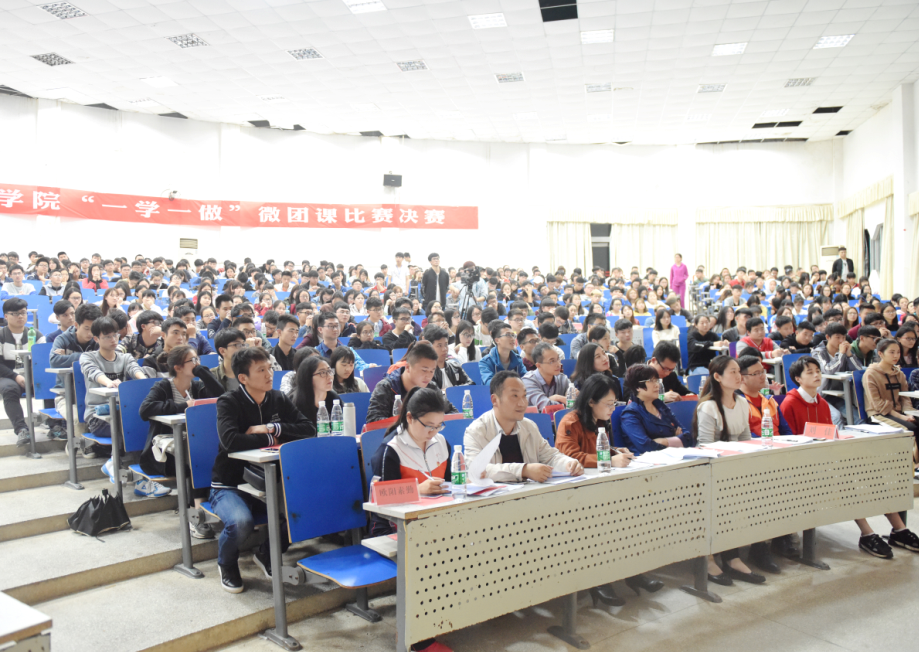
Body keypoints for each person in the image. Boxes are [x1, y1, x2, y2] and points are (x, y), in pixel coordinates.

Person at [781, 354, 919, 558]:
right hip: (806, 466)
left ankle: (899, 530)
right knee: (849, 481)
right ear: (798, 379)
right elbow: (788, 441)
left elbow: (828, 434)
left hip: (827, 458)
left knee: (876, 476)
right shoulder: (789, 403)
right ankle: (867, 534)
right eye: (810, 372)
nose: (817, 375)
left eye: (818, 371)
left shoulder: (820, 402)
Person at [555, 373, 667, 603]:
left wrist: (616, 452)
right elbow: (570, 457)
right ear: (591, 402)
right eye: (608, 404)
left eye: (614, 403)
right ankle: (599, 582)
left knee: (630, 514)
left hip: (600, 487)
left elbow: (598, 449)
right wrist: (608, 460)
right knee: (602, 522)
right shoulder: (570, 422)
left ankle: (633, 573)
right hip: (576, 492)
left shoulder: (600, 421)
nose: (612, 409)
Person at [211, 346, 313, 593]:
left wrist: (271, 428)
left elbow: (308, 429)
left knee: (302, 511)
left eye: (269, 368)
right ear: (243, 378)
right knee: (241, 523)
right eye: (261, 370)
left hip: (268, 482)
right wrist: (272, 439)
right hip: (230, 484)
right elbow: (231, 441)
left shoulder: (277, 398)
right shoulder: (229, 401)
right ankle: (227, 563)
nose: (269, 374)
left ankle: (266, 554)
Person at [692, 355, 765, 585]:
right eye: (732, 371)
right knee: (721, 503)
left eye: (738, 371)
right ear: (717, 377)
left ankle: (734, 558)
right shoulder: (708, 407)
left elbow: (746, 439)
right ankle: (710, 559)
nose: (738, 375)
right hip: (711, 470)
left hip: (734, 467)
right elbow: (706, 447)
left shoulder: (742, 402)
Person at [139, 344, 224, 534]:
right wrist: (184, 405)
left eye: (198, 359)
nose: (197, 363)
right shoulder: (163, 386)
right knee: (196, 461)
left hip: (191, 449)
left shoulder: (197, 387)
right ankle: (195, 515)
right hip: (163, 456)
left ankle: (207, 509)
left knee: (205, 457)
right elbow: (145, 410)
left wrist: (203, 372)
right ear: (178, 367)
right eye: (193, 360)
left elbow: (222, 396)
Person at [464, 371, 583, 483]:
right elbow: (476, 470)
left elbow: (551, 457)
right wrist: (524, 470)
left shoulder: (529, 426)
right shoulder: (476, 431)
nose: (522, 403)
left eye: (524, 396)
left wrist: (568, 464)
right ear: (495, 400)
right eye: (515, 396)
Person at [80, 316, 150, 487]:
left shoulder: (124, 357)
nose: (113, 340)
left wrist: (144, 381)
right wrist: (109, 383)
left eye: (115, 335)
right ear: (96, 339)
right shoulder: (88, 357)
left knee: (141, 423)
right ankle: (135, 476)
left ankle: (127, 467)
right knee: (129, 427)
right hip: (98, 418)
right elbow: (93, 372)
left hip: (121, 414)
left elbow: (135, 369)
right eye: (107, 337)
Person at [367, 342, 457, 424]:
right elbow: (373, 421)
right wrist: (413, 424)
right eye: (424, 370)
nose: (428, 376)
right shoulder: (386, 387)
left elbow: (453, 413)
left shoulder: (431, 387)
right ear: (407, 367)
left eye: (432, 371)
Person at [0, 298, 47, 446]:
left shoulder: (37, 335)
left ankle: (55, 425)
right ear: (6, 316)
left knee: (50, 384)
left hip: (32, 374)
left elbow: (42, 359)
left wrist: (32, 376)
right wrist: (16, 376)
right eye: (15, 313)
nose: (20, 316)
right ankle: (21, 429)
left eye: (23, 313)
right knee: (9, 389)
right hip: (7, 375)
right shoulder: (1, 335)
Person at [620, 364, 691, 454]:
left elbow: (688, 437)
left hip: (673, 457)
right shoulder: (630, 414)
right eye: (651, 381)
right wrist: (676, 440)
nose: (657, 385)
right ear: (638, 387)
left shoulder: (660, 406)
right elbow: (646, 447)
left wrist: (663, 441)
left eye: (657, 380)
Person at [863, 339, 918, 439]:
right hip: (879, 414)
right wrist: (901, 417)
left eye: (898, 352)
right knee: (911, 429)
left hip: (899, 412)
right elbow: (877, 404)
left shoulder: (899, 374)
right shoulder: (870, 374)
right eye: (892, 352)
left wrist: (909, 413)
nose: (896, 356)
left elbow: (905, 398)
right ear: (880, 353)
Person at [736, 354, 791, 437]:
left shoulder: (770, 401)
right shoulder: (736, 402)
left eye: (763, 372)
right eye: (756, 373)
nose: (763, 376)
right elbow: (743, 435)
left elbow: (786, 431)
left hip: (778, 443)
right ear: (742, 378)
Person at [522, 342, 572, 411]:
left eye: (558, 359)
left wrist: (573, 395)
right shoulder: (528, 381)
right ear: (539, 366)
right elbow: (544, 406)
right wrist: (561, 398)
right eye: (552, 361)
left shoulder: (562, 378)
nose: (558, 364)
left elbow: (576, 402)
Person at [292, 355, 340, 426]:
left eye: (329, 371)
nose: (329, 376)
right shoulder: (295, 403)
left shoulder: (334, 398)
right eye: (323, 373)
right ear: (308, 377)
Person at [478, 321, 526, 386]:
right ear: (497, 340)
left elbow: (526, 379)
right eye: (508, 335)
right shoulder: (486, 362)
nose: (513, 339)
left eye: (513, 335)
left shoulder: (518, 359)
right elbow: (489, 383)